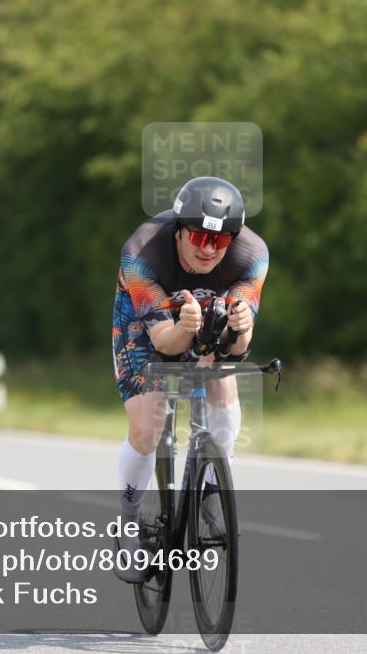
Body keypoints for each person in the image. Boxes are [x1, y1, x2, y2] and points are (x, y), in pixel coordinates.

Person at [111, 176, 269, 583]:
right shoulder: (140, 253)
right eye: (198, 236)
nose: (206, 249)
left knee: (222, 377)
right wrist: (185, 329)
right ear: (179, 228)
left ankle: (216, 481)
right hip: (148, 322)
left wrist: (240, 327)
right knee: (147, 427)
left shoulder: (252, 257)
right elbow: (164, 342)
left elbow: (238, 347)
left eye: (219, 242)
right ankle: (128, 528)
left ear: (232, 240)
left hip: (207, 312)